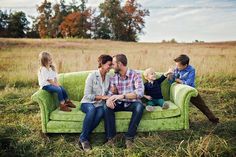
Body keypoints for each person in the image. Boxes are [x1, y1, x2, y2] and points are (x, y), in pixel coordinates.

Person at [104, 54, 145, 148]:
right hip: (119, 103)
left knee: (139, 106)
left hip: (132, 103)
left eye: (113, 64)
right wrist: (109, 100)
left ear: (119, 64)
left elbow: (140, 92)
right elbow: (110, 93)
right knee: (106, 107)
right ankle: (111, 138)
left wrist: (122, 96)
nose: (111, 66)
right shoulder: (114, 77)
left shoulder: (135, 75)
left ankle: (129, 138)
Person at [169, 54, 219, 123]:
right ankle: (186, 121)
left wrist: (178, 80)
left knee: (202, 105)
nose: (177, 67)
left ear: (185, 65)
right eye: (176, 65)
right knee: (181, 107)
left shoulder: (191, 70)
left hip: (189, 90)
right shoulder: (176, 69)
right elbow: (171, 81)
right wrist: (170, 75)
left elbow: (188, 83)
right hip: (179, 90)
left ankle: (213, 119)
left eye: (178, 66)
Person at [79, 54, 113, 151]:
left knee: (102, 112)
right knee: (92, 110)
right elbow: (87, 95)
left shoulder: (108, 77)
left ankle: (82, 137)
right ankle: (84, 140)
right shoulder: (92, 76)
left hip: (100, 104)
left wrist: (112, 92)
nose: (110, 67)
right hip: (87, 103)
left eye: (111, 65)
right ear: (102, 64)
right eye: (109, 65)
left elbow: (109, 93)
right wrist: (102, 97)